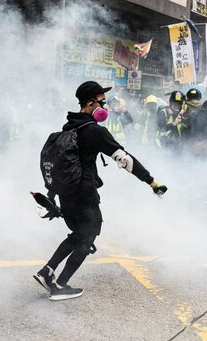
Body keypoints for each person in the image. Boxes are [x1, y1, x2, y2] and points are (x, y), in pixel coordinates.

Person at [35, 81, 168, 301]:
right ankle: (60, 284)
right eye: (101, 102)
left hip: (66, 194)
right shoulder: (94, 131)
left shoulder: (68, 128)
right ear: (89, 104)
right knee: (87, 238)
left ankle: (47, 272)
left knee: (77, 235)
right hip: (85, 194)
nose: (104, 107)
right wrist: (151, 181)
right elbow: (124, 160)